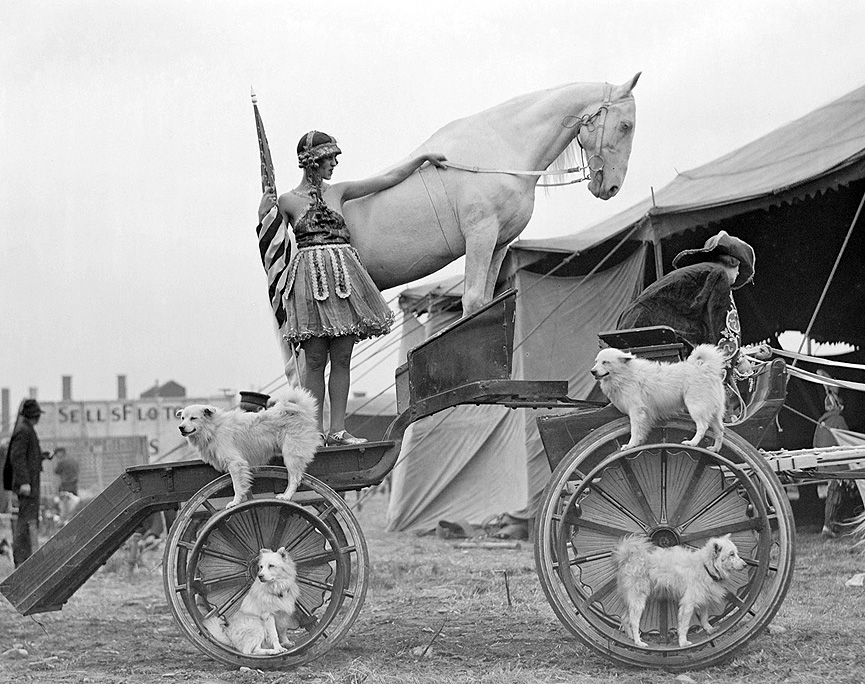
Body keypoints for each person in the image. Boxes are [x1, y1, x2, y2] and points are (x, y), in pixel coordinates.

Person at [258, 131, 446, 445]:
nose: (335, 163)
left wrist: (421, 159)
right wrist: (263, 211)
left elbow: (387, 179)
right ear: (313, 160)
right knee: (315, 361)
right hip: (308, 282)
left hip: (343, 281)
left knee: (342, 358)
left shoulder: (340, 191)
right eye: (330, 157)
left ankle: (338, 429)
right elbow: (272, 237)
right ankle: (312, 431)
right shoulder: (287, 200)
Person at [617, 230, 756, 382]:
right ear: (732, 261)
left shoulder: (699, 273)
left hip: (631, 330)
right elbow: (725, 332)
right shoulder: (719, 275)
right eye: (738, 269)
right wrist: (738, 361)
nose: (737, 275)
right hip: (656, 338)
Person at [8, 399, 48, 567]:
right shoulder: (24, 430)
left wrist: (42, 456)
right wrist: (24, 482)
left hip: (31, 483)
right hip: (28, 484)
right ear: (35, 416)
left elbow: (26, 456)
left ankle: (27, 559)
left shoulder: (25, 428)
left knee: (29, 520)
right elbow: (16, 458)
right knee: (26, 521)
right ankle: (22, 561)